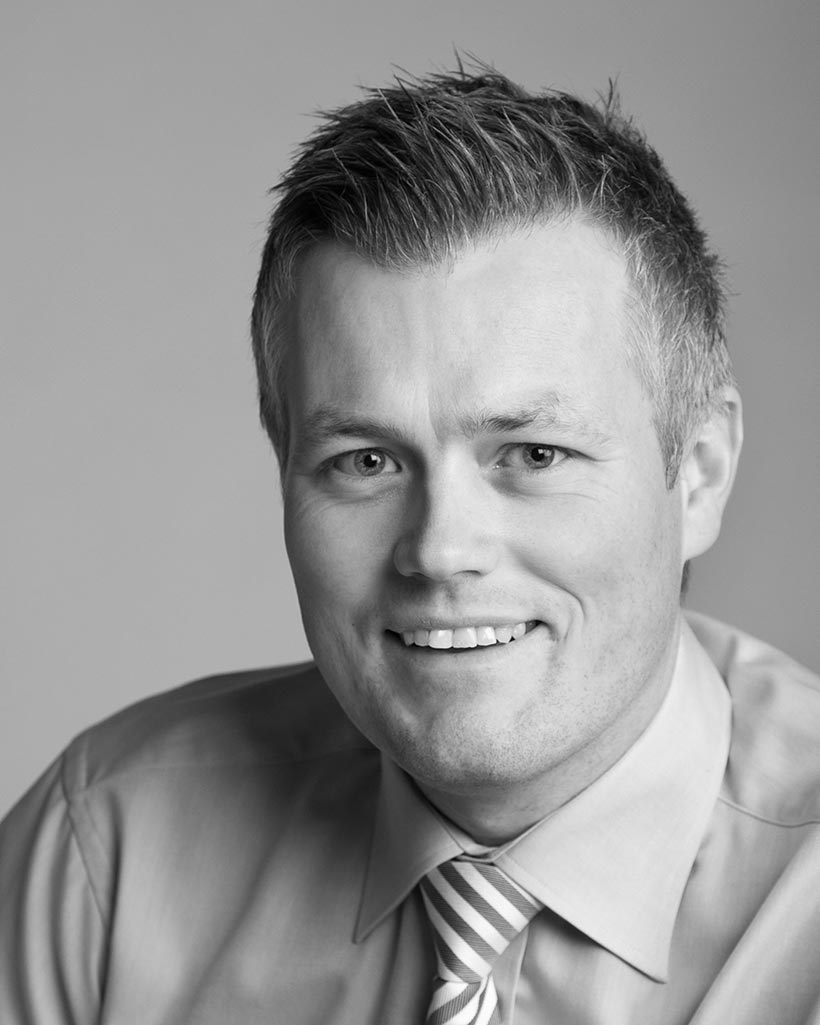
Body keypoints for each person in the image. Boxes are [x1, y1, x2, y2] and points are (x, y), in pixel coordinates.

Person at [1, 65, 819, 1025]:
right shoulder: (107, 853)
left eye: (533, 453)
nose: (438, 550)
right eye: (365, 461)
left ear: (702, 471)